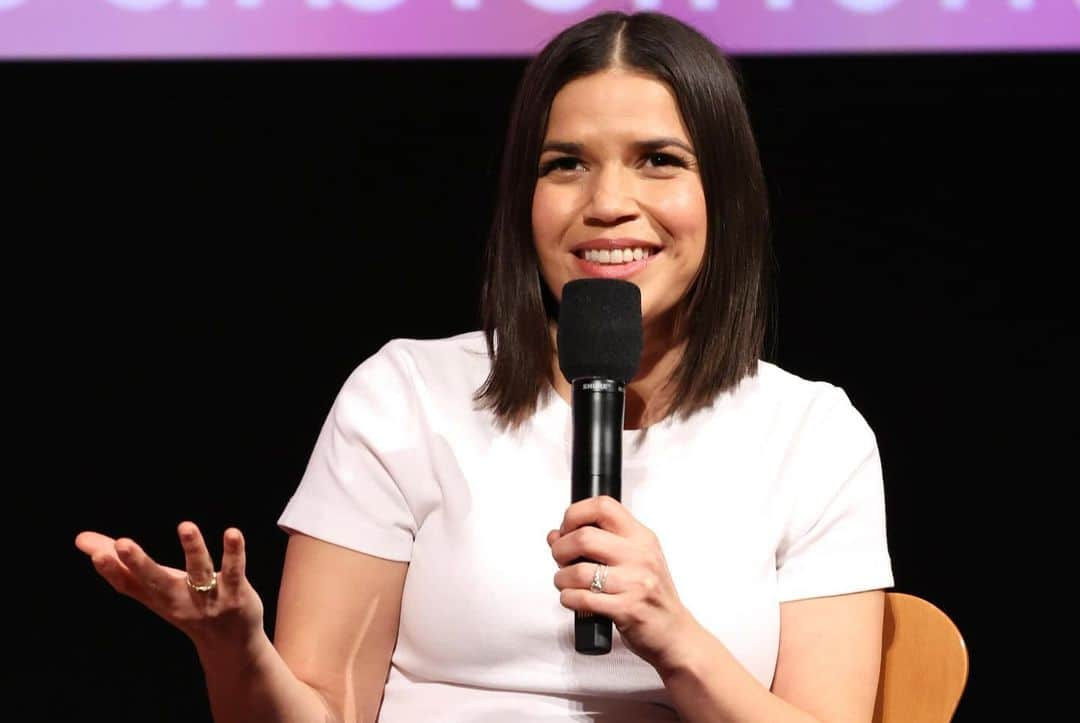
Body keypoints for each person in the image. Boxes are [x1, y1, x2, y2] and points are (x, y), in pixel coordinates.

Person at [75, 10, 893, 723]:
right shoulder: (405, 397)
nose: (606, 201)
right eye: (565, 163)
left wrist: (675, 636)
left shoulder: (812, 436)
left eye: (658, 160)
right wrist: (239, 650)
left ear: (728, 197)